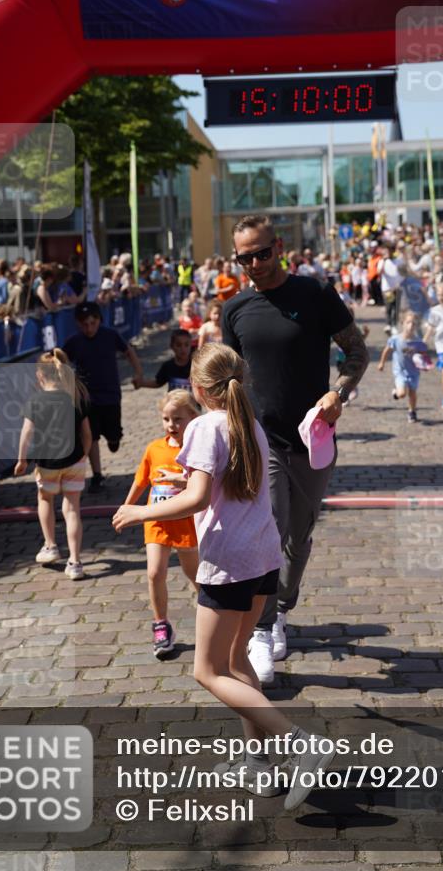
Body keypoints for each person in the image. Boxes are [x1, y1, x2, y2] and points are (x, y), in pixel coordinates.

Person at [113, 344, 336, 809]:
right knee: (238, 663)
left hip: (230, 561)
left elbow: (197, 501)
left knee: (207, 670)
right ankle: (258, 766)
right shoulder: (246, 421)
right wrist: (187, 484)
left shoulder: (203, 425)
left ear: (195, 388)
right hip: (261, 556)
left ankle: (301, 746)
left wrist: (140, 511)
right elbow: (226, 486)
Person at [222, 214, 368, 684]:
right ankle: (261, 630)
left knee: (297, 537)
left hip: (312, 439)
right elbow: (229, 379)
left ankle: (282, 606)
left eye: (262, 253)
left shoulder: (316, 294)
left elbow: (357, 353)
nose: (255, 264)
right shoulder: (235, 308)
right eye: (244, 258)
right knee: (269, 528)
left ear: (279, 246)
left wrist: (337, 394)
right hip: (260, 440)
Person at [121, 390, 200, 657]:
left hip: (187, 523)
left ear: (193, 417)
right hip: (157, 523)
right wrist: (128, 506)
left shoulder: (198, 450)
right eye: (166, 419)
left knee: (195, 575)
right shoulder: (154, 448)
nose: (171, 425)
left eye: (178, 419)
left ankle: (218, 614)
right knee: (155, 573)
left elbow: (206, 485)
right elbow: (141, 480)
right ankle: (161, 624)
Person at [14, 350, 91, 579]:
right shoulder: (75, 398)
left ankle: (50, 545)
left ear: (39, 375)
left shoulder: (35, 401)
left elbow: (26, 433)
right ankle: (75, 561)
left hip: (47, 463)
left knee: (45, 499)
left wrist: (21, 460)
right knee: (72, 509)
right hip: (75, 460)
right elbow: (87, 434)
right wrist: (84, 455)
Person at [63, 302, 146, 493]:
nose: (89, 328)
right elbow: (61, 358)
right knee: (91, 436)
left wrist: (138, 372)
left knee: (113, 435)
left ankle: (114, 438)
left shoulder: (110, 335)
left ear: (99, 320)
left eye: (93, 323)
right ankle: (97, 475)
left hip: (110, 394)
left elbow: (128, 352)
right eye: (85, 324)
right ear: (78, 324)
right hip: (87, 397)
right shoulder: (75, 341)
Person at [377, 312, 429, 423]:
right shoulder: (395, 339)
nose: (411, 325)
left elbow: (424, 355)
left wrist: (424, 363)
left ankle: (412, 411)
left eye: (414, 323)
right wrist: (382, 363)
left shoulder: (418, 342)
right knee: (402, 394)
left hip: (413, 372)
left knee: (412, 393)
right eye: (408, 322)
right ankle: (396, 392)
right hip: (399, 371)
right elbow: (387, 351)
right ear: (403, 323)